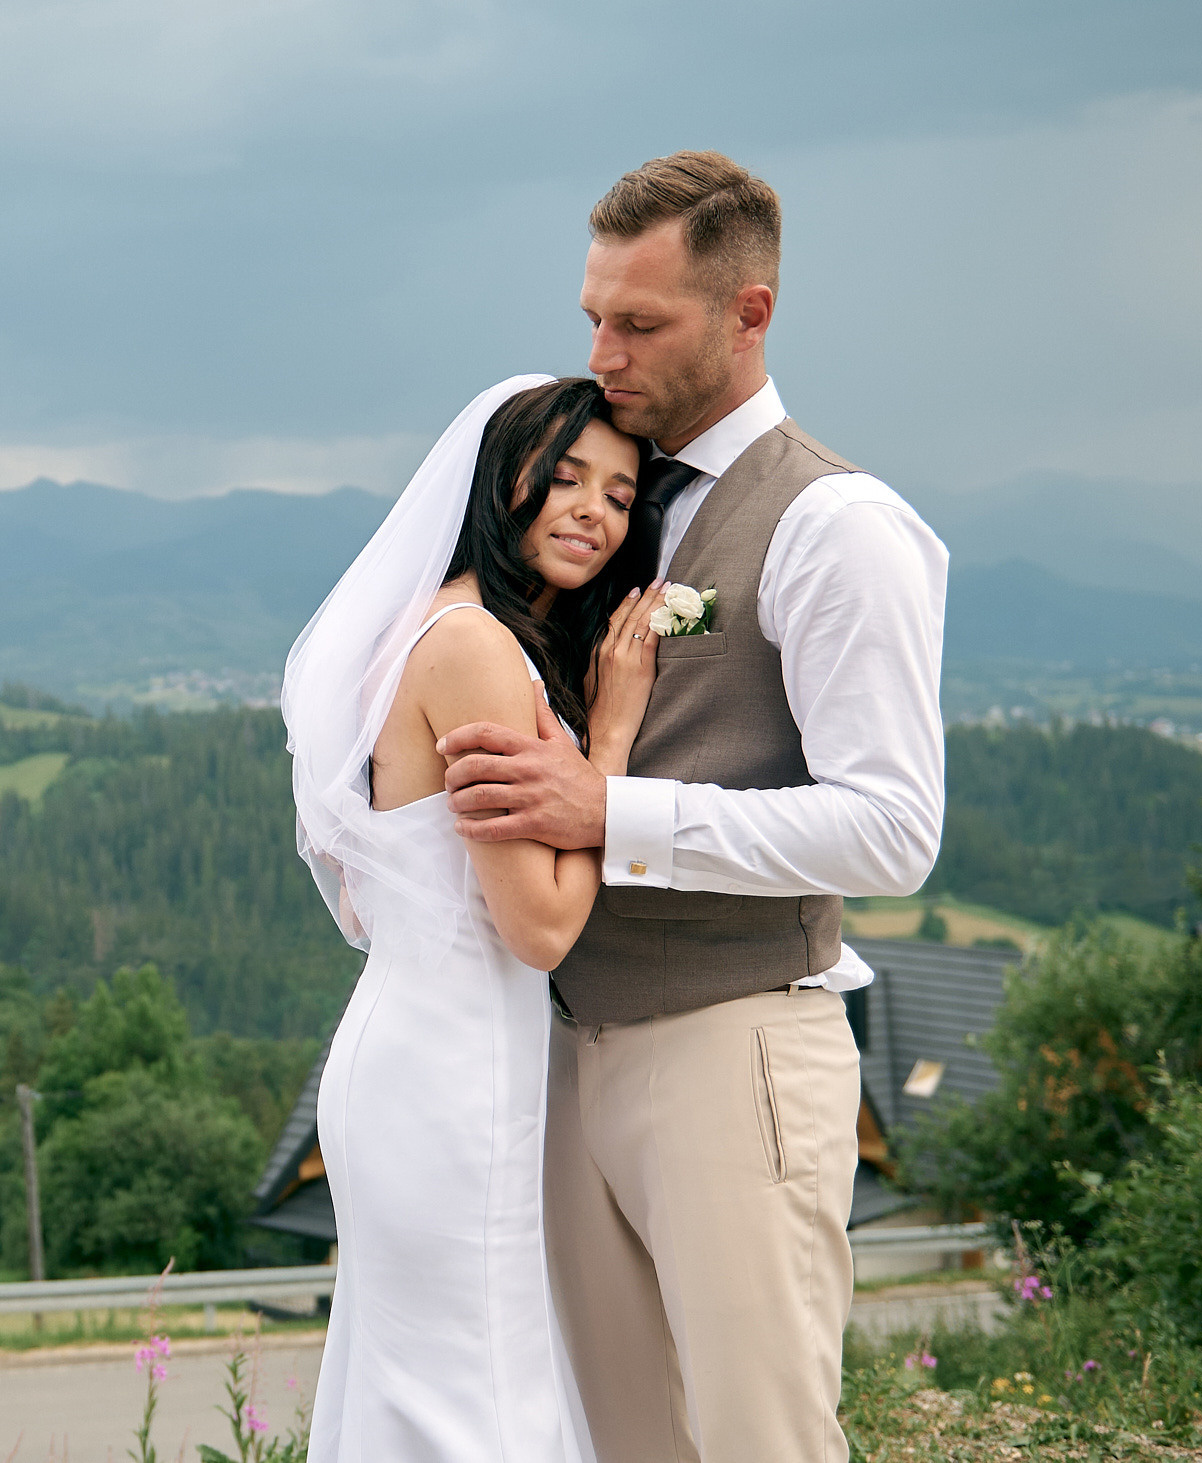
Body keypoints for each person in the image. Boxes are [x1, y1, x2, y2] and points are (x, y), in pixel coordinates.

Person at [438, 152, 950, 1462]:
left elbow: (893, 828)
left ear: (751, 312)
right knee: (629, 1443)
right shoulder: (590, 494)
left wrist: (615, 809)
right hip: (568, 1052)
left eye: (642, 322)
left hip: (738, 1052)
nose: (604, 350)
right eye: (594, 315)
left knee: (759, 1439)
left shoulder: (835, 522)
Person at [284, 374, 671, 1462]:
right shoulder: (474, 649)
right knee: (478, 1393)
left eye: (617, 492)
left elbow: (365, 886)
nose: (591, 510)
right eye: (561, 478)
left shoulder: (424, 627)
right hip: (452, 1073)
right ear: (497, 481)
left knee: (420, 1385)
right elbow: (540, 926)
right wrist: (609, 744)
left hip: (410, 1045)